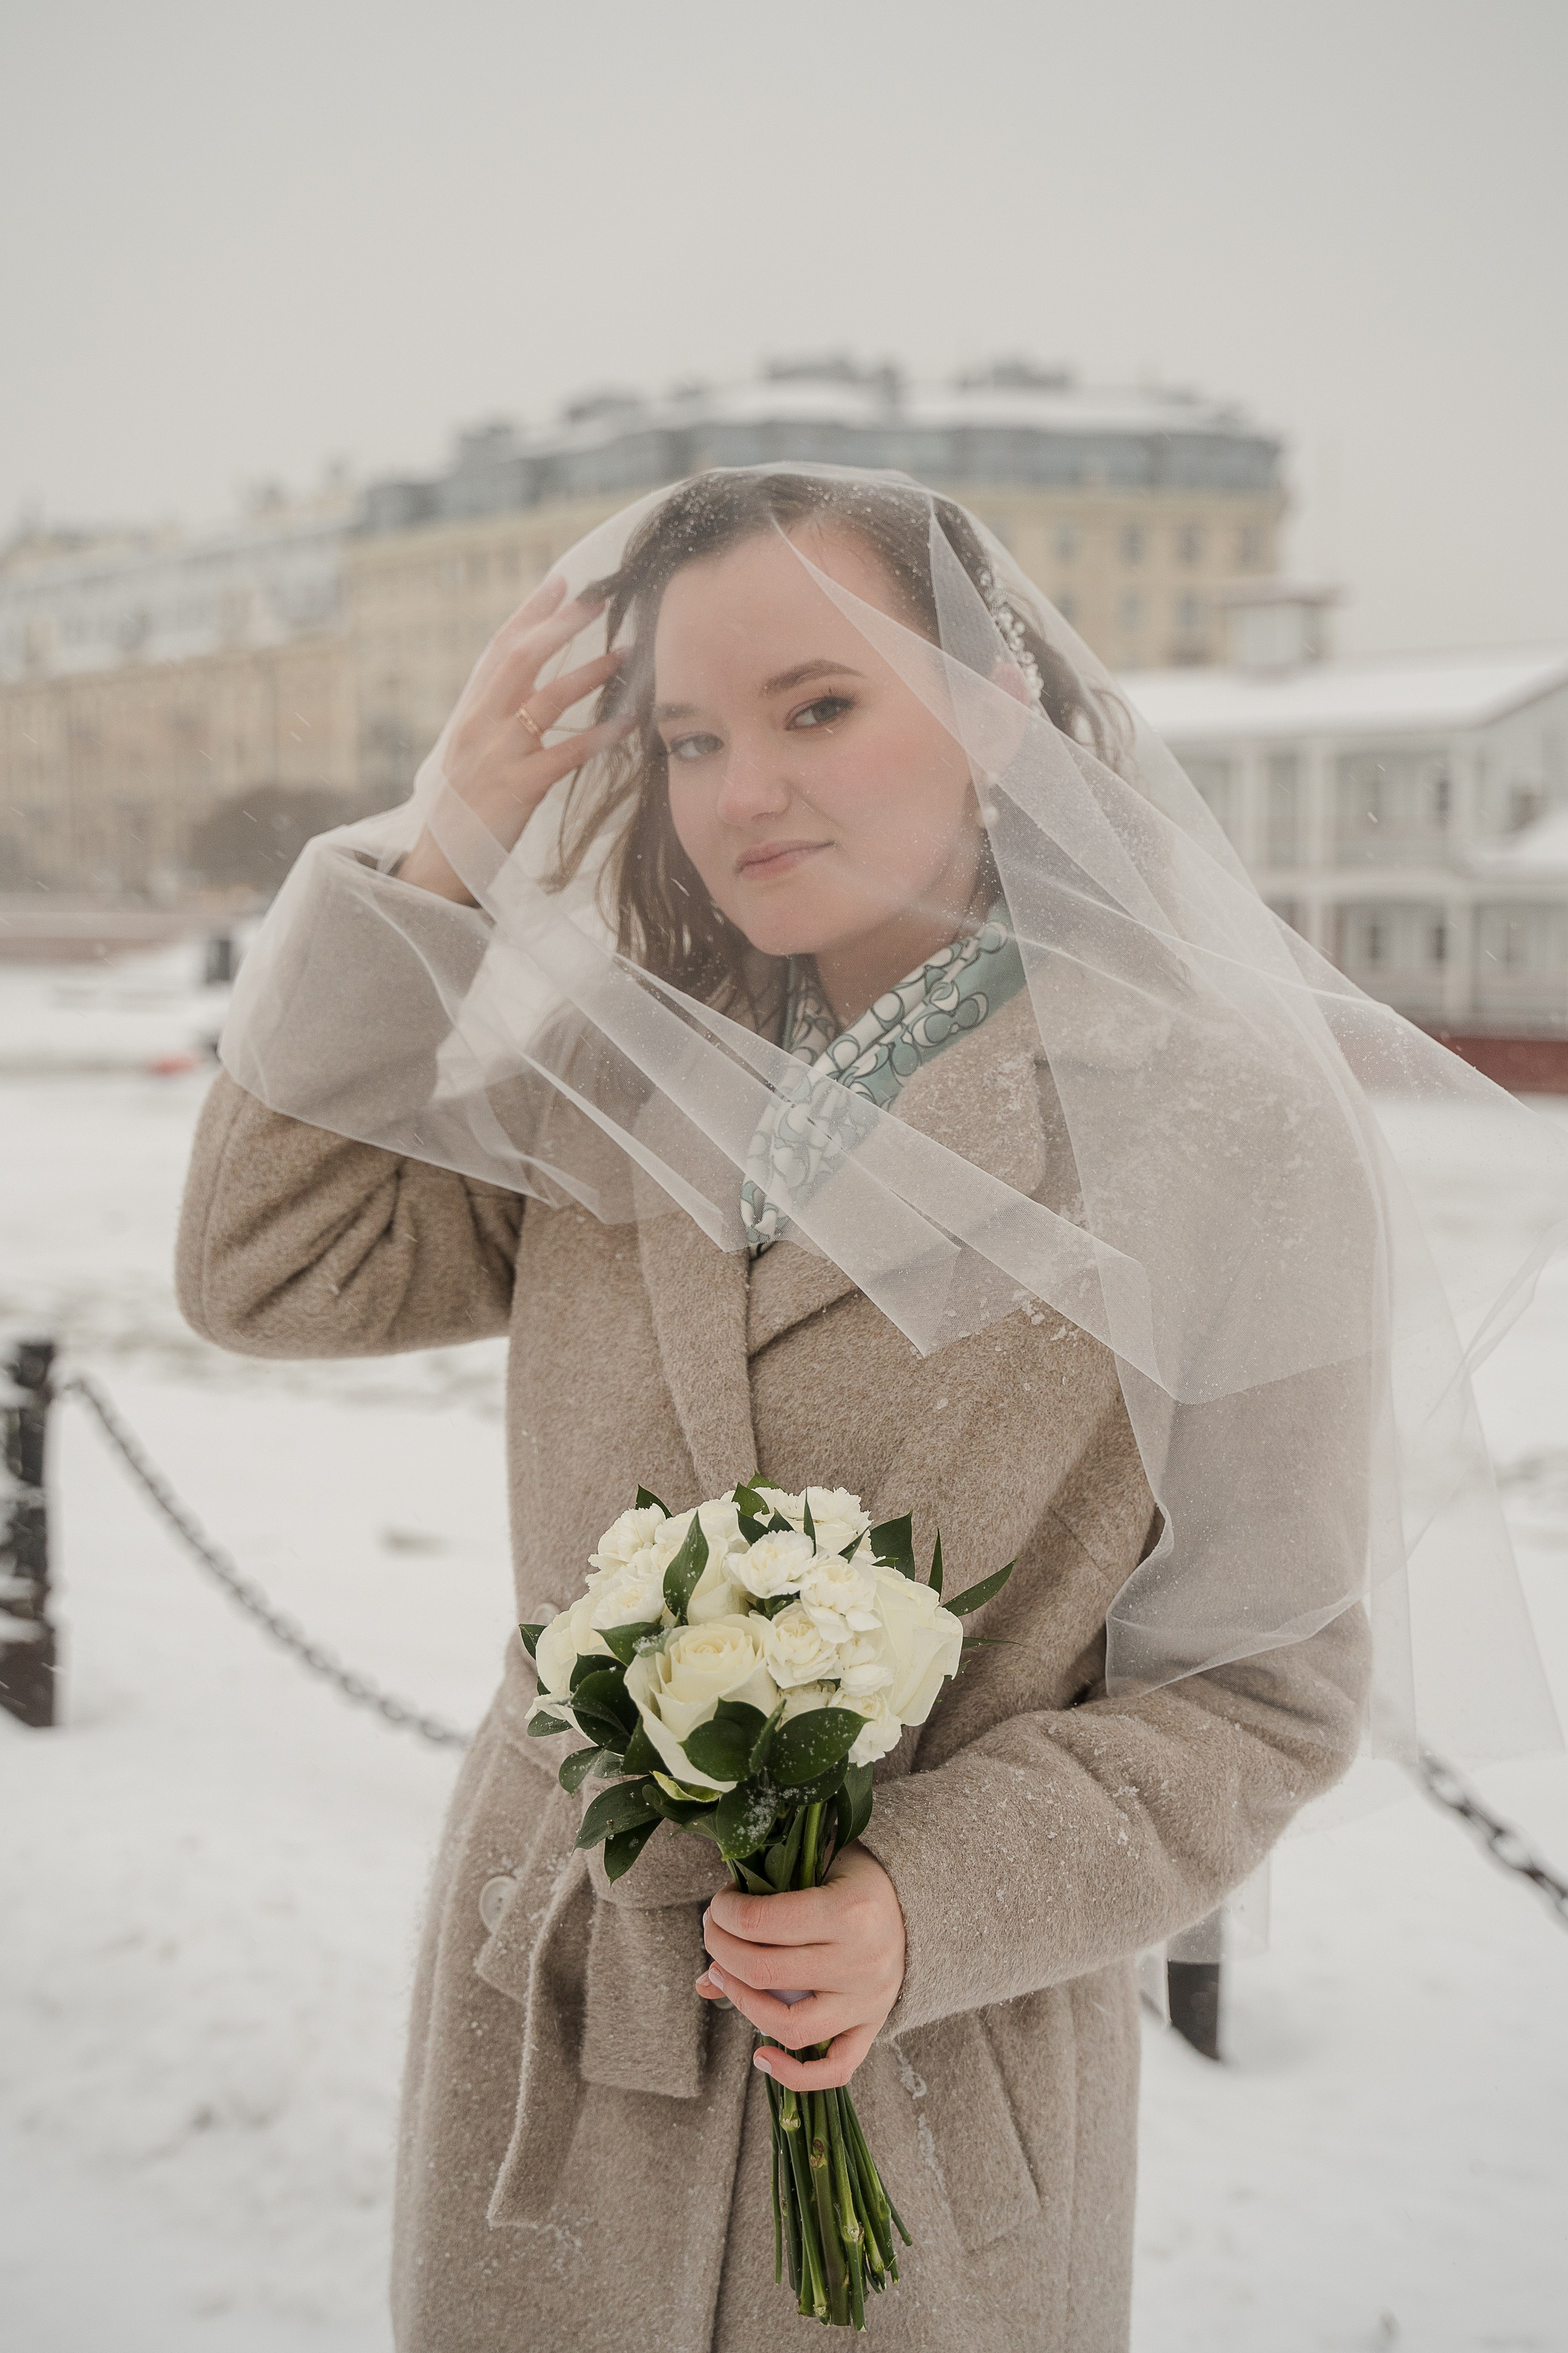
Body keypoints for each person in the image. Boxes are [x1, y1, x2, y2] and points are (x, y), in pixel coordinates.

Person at [176, 466, 1547, 2351]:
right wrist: (441, 851)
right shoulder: (620, 1052)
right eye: (684, 736)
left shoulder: (1220, 1118)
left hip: (923, 2090)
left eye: (820, 706)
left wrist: (928, 1899)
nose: (744, 789)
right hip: (564, 2027)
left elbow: (1266, 1684)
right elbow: (270, 1263)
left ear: (992, 703)